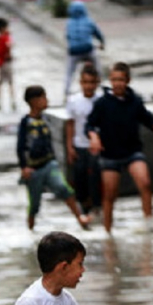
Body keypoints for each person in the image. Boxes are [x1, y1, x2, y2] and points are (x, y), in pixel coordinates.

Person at [86, 62, 153, 232]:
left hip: (132, 152)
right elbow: (90, 125)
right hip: (109, 155)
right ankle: (108, 232)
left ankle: (148, 222)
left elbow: (146, 117)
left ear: (128, 80)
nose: (117, 83)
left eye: (121, 80)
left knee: (145, 183)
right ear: (110, 80)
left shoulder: (135, 101)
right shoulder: (102, 103)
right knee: (110, 195)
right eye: (114, 80)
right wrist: (94, 137)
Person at [18, 85, 90, 231]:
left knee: (64, 188)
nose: (46, 101)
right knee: (34, 202)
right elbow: (20, 147)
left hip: (49, 163)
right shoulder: (26, 123)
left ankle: (80, 218)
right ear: (33, 101)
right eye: (43, 97)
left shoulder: (46, 119)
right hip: (34, 169)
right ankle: (30, 226)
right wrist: (24, 167)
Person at [64, 63, 102, 215]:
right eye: (85, 82)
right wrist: (69, 147)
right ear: (80, 82)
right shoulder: (73, 100)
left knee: (95, 176)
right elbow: (70, 124)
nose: (88, 86)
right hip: (79, 144)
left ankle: (96, 206)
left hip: (96, 146)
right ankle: (83, 205)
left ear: (97, 83)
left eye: (92, 82)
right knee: (79, 176)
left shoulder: (100, 101)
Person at [64, 0, 105, 100]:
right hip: (87, 49)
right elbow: (98, 34)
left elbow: (68, 37)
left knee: (70, 71)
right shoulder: (89, 21)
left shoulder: (69, 23)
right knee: (98, 67)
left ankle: (66, 91)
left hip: (73, 51)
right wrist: (102, 43)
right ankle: (101, 87)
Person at [0, 17, 16, 112]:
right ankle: (13, 102)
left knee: (0, 84)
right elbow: (9, 45)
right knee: (10, 83)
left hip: (0, 63)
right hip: (6, 63)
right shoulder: (5, 37)